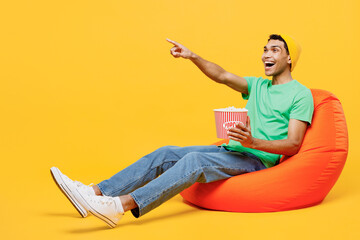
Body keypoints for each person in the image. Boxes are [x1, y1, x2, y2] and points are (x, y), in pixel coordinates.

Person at [51, 34, 314, 228]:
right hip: (232, 150)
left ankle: (119, 206)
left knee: (195, 160)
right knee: (165, 153)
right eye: (265, 49)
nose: (266, 55)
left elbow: (293, 144)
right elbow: (222, 75)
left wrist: (253, 142)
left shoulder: (300, 94)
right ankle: (94, 193)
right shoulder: (258, 85)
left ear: (289, 58)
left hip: (256, 160)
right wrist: (193, 57)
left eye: (275, 50)